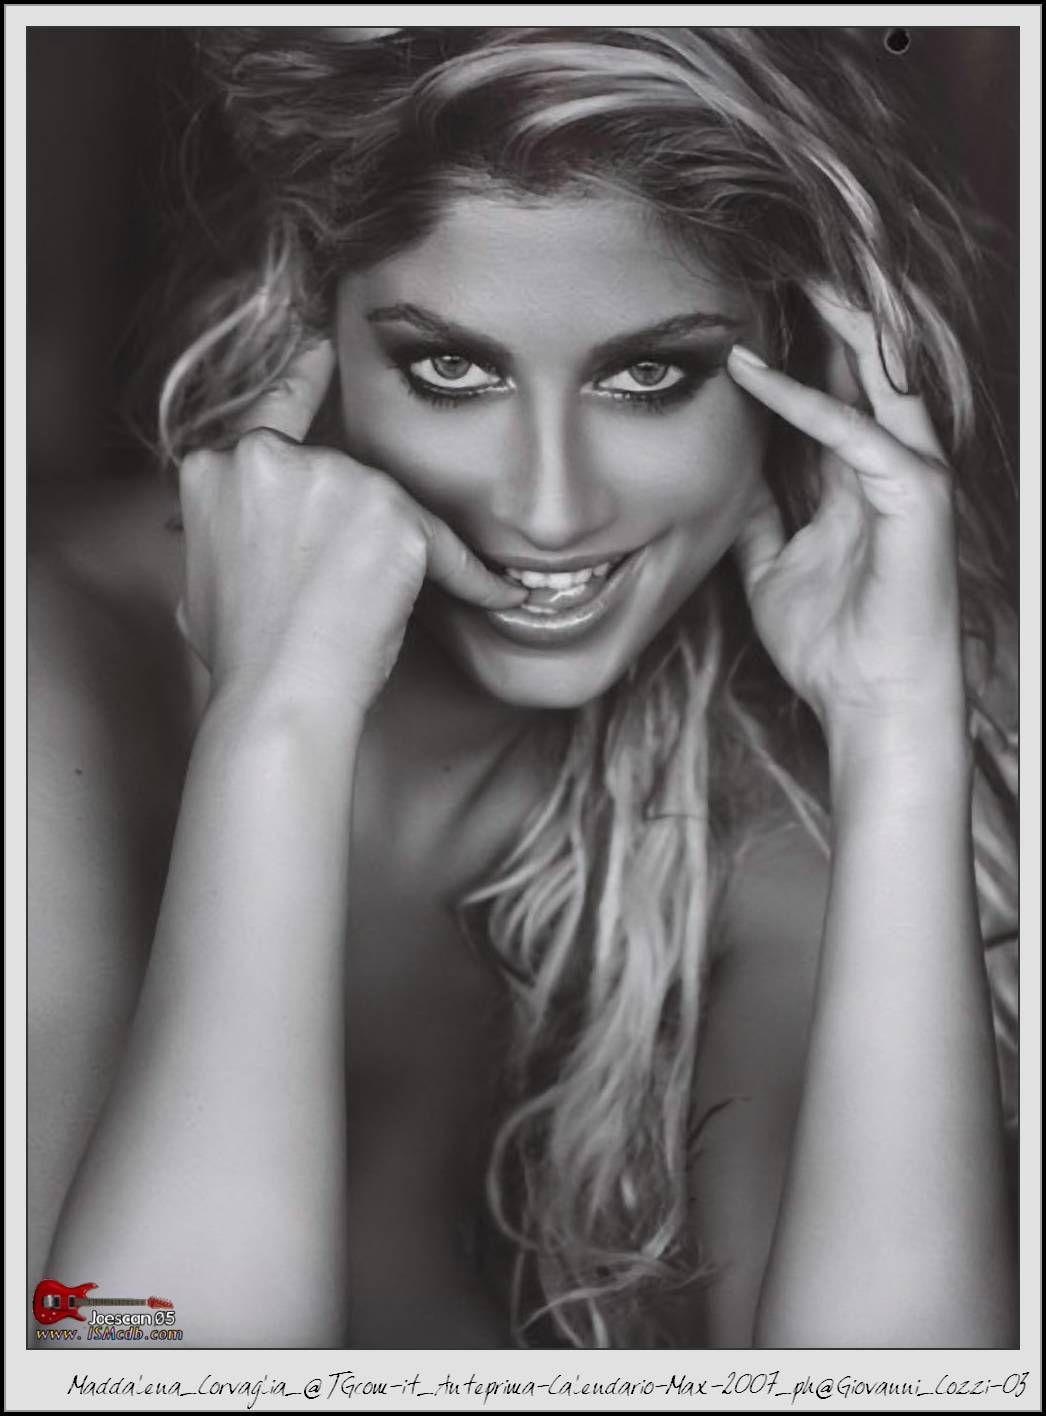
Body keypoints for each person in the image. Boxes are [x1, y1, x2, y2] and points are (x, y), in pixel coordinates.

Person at [30, 25, 1019, 1350]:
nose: (548, 508)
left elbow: (889, 1383)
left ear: (804, 378)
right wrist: (276, 721)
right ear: (314, 327)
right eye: (453, 368)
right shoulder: (50, 673)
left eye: (648, 376)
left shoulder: (761, 797)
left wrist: (896, 730)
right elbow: (131, 1356)